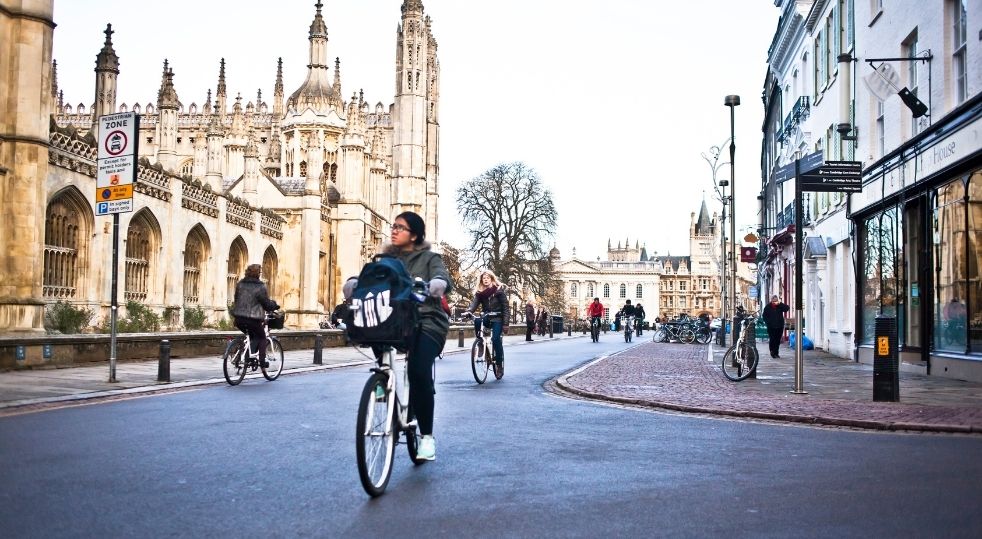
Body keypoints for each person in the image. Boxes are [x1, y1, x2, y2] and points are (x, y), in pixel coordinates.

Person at [343, 211, 450, 461]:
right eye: (393, 226)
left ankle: (426, 438)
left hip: (427, 320)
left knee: (417, 371)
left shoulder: (430, 258)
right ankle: (383, 379)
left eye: (400, 227)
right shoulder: (384, 259)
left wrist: (436, 285)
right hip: (396, 319)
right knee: (370, 326)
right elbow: (368, 279)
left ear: (414, 235)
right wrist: (354, 282)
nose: (394, 230)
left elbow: (441, 278)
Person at [231, 263, 280, 367]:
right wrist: (275, 305)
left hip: (239, 318)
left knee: (252, 336)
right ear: (258, 274)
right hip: (253, 319)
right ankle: (262, 362)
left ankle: (246, 356)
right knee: (262, 337)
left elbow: (236, 300)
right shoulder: (260, 286)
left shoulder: (240, 284)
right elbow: (266, 304)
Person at [467, 270, 509, 379]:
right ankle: (480, 342)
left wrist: (505, 323)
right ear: (481, 280)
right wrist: (469, 311)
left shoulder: (498, 291)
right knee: (477, 320)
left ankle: (499, 365)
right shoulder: (480, 293)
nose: (485, 280)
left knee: (495, 339)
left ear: (491, 279)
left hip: (498, 318)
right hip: (487, 317)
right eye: (483, 278)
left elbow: (505, 308)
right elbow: (474, 304)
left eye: (487, 278)